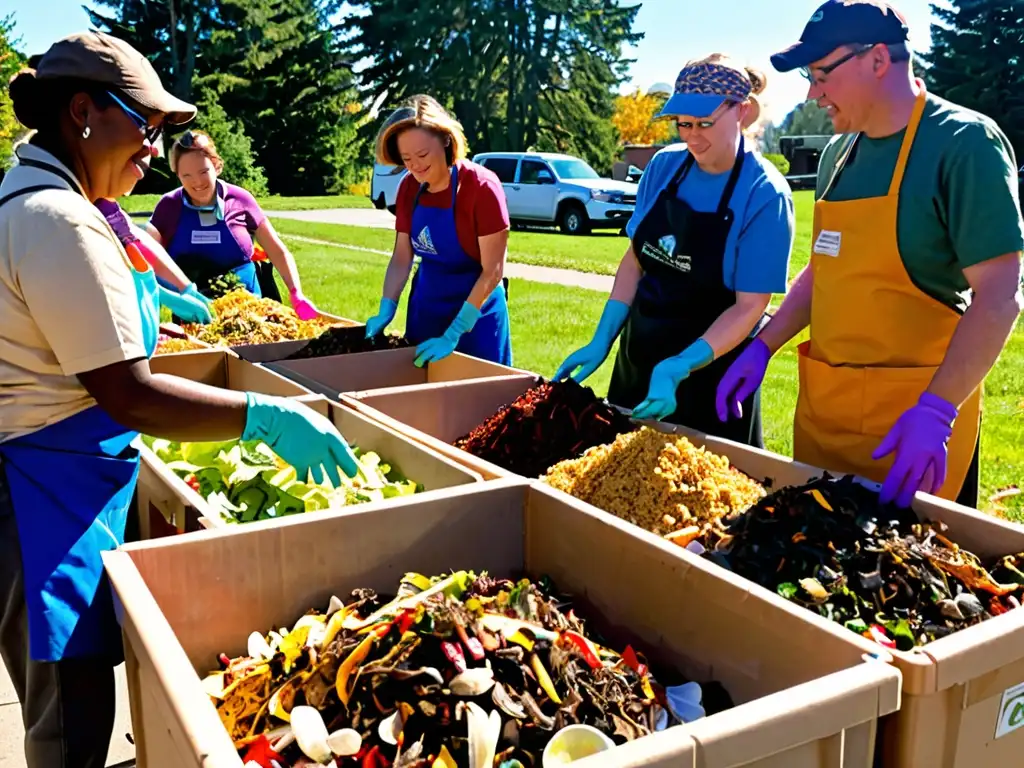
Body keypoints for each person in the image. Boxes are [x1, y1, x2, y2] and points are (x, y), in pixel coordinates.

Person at [0, 31, 360, 767]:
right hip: (39, 493)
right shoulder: (56, 219)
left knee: (74, 699)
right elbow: (129, 393)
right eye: (147, 125)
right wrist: (260, 416)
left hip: (59, 477)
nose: (154, 150)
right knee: (69, 719)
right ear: (83, 113)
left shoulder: (44, 201)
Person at [716, 0, 1024, 508]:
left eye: (821, 74)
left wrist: (937, 413)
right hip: (827, 419)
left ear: (878, 60)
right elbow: (825, 269)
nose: (813, 93)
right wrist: (763, 345)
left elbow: (1000, 295)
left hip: (914, 434)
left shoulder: (964, 144)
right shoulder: (839, 153)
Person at [553, 55, 794, 447]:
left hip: (712, 371)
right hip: (640, 357)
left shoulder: (764, 192)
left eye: (704, 124)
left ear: (743, 113)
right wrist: (603, 338)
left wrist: (682, 365)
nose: (692, 137)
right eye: (684, 123)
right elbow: (636, 261)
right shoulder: (664, 167)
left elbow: (749, 306)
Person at [365, 94, 513, 367]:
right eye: (406, 158)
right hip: (427, 310)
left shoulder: (482, 188)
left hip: (476, 318)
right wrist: (387, 307)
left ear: (446, 139)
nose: (415, 166)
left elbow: (493, 271)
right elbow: (401, 257)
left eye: (422, 155)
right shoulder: (409, 188)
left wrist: (455, 331)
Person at [143, 130, 321, 317]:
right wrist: (172, 298)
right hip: (195, 312)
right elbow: (148, 260)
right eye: (186, 175)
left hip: (249, 309)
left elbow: (277, 250)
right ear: (177, 175)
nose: (197, 182)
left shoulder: (240, 199)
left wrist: (296, 293)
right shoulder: (168, 206)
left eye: (203, 171)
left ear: (216, 166)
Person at [95, 197, 215, 324]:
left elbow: (136, 243)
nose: (140, 176)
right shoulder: (81, 210)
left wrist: (185, 288)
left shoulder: (105, 202)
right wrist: (166, 296)